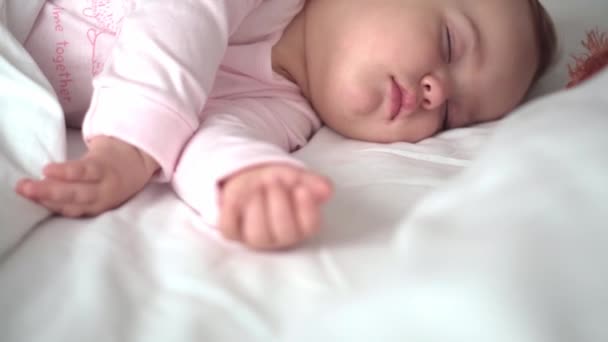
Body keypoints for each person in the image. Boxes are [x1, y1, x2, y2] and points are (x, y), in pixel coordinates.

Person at [15, 0, 557, 250]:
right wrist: (130, 147)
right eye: (449, 43)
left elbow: (211, 137)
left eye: (452, 115)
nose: (436, 92)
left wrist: (248, 180)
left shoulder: (292, 112)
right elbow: (182, 14)